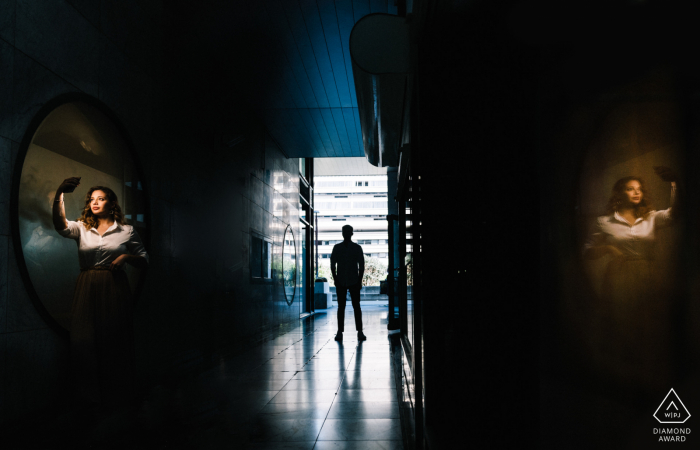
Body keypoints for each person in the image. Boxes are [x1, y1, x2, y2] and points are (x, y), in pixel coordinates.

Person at [53, 177, 148, 414]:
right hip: (87, 283)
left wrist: (126, 257)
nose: (95, 202)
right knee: (83, 340)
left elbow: (145, 259)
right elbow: (60, 225)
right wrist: (60, 194)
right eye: (92, 199)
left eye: (101, 198)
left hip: (114, 285)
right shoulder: (82, 227)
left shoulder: (126, 230)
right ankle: (89, 399)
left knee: (113, 339)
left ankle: (116, 398)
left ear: (111, 203)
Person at [582, 166, 679, 393]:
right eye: (629, 189)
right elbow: (586, 251)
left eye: (639, 189)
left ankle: (650, 379)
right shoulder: (604, 221)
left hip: (648, 275)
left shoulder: (652, 217)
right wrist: (607, 248)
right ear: (619, 193)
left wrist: (675, 184)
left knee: (650, 324)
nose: (636, 192)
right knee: (622, 324)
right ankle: (623, 382)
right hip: (618, 277)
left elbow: (677, 213)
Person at [331, 225, 367, 342]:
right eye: (345, 232)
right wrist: (336, 279)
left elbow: (361, 266)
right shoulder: (355, 248)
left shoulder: (339, 248)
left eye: (347, 232)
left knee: (352, 306)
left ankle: (355, 331)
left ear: (351, 233)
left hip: (350, 280)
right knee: (345, 307)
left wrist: (359, 281)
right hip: (346, 280)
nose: (346, 234)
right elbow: (333, 265)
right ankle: (344, 331)